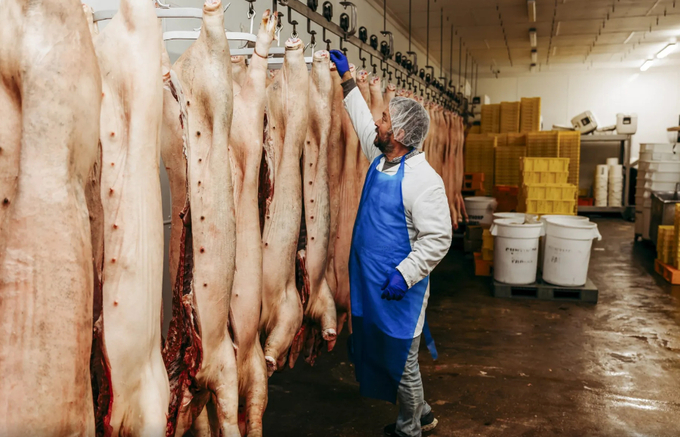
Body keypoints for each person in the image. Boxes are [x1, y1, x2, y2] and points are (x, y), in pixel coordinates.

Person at [328, 50, 452, 437]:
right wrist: (347, 77)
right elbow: (362, 120)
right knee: (390, 355)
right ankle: (423, 412)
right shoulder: (380, 158)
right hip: (370, 282)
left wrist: (405, 274)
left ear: (398, 133)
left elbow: (438, 239)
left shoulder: (423, 180)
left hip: (399, 290)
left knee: (403, 362)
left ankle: (410, 429)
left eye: (386, 119)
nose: (378, 123)